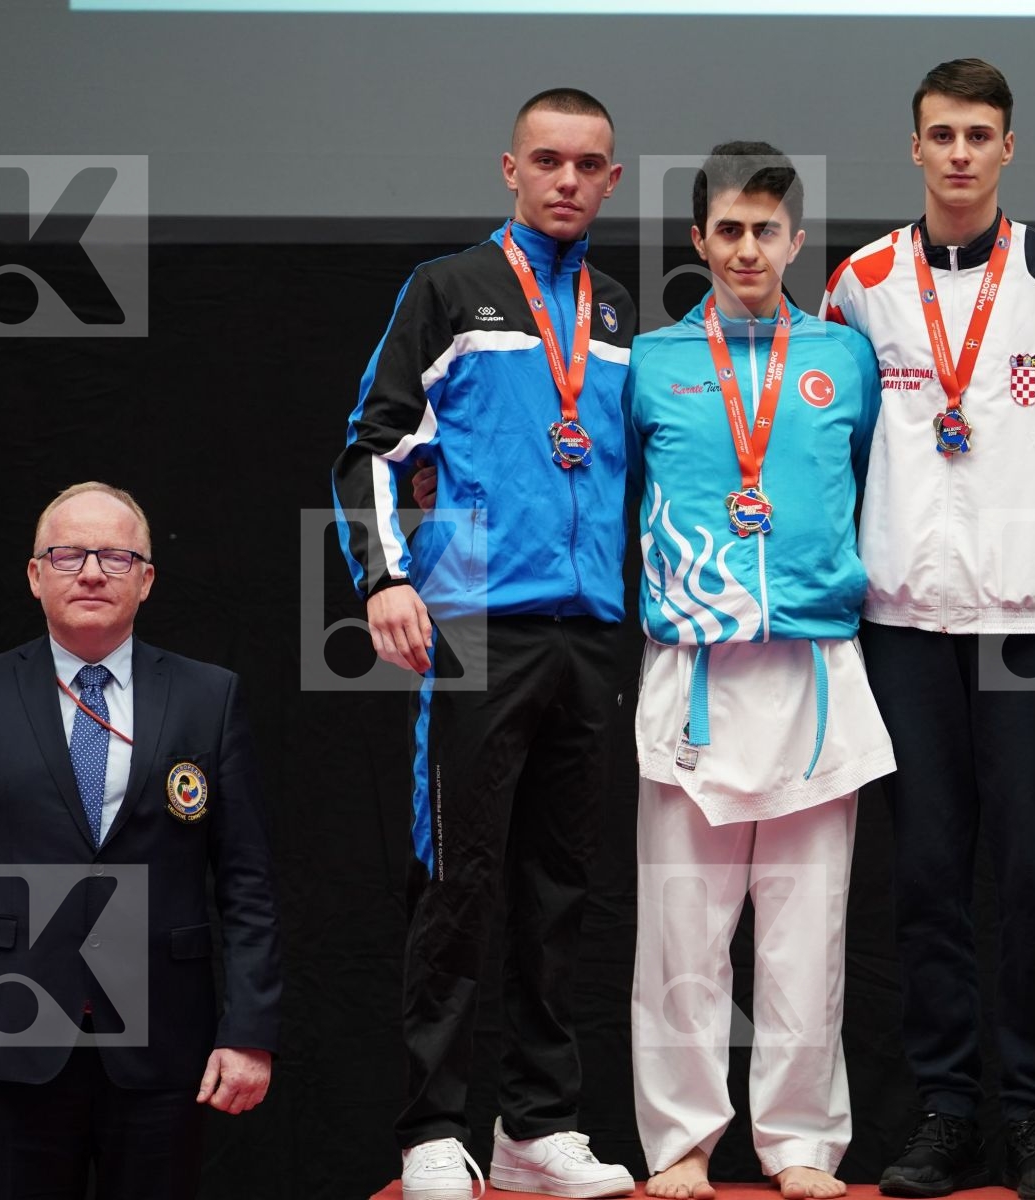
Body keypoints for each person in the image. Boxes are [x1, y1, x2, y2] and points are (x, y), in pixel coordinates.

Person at [331, 88, 637, 1200]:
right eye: (547, 160)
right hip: (476, 625)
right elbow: (371, 441)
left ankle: (535, 1127)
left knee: (560, 888)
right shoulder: (448, 289)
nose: (567, 179)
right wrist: (386, 578)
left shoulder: (614, 315)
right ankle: (430, 1132)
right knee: (457, 883)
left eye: (588, 164)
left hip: (591, 636)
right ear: (510, 169)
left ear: (611, 179)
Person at [819, 58, 1035, 1200]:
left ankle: (1034, 1114)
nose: (961, 154)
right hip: (901, 622)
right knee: (928, 877)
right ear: (916, 147)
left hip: (1031, 618)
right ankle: (945, 1111)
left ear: (1010, 148)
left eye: (981, 134)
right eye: (942, 134)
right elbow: (826, 449)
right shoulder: (861, 283)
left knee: (1034, 876)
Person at [626, 141, 893, 1200]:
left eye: (766, 229)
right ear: (698, 240)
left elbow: (867, 477)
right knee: (683, 939)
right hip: (691, 670)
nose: (746, 248)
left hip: (818, 675)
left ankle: (797, 1145)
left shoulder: (844, 357)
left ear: (795, 239)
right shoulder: (647, 362)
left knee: (806, 936)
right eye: (727, 230)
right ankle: (681, 1142)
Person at [0, 481, 282, 1200]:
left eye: (115, 555)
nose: (93, 571)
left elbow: (247, 881)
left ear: (146, 579)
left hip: (165, 1041)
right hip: (17, 1030)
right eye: (69, 554)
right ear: (36, 575)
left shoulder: (207, 696)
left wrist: (249, 1030)